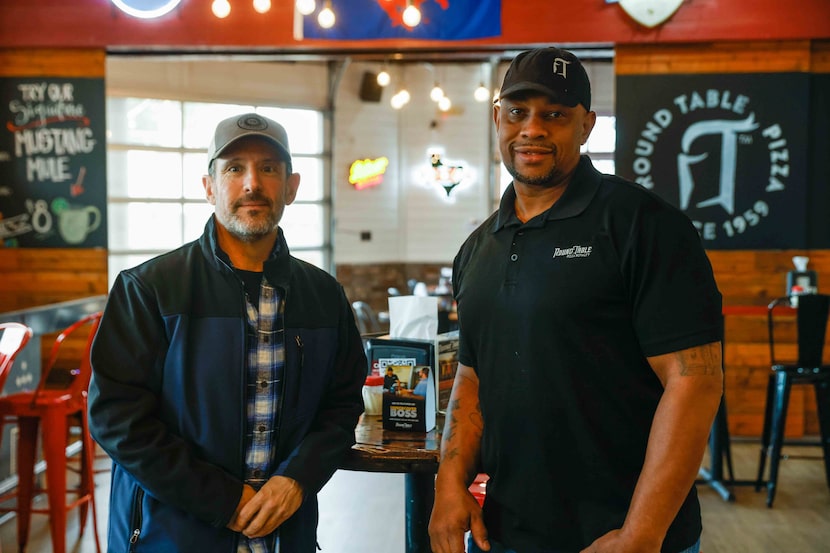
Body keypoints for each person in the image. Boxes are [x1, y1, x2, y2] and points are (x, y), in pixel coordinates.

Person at [428, 47, 723, 553]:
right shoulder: (476, 249)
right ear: (498, 118)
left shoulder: (644, 225)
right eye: (518, 112)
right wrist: (449, 483)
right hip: (505, 533)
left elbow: (694, 381)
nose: (533, 129)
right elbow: (473, 379)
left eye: (555, 115)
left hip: (623, 536)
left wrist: (642, 533)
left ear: (585, 126)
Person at [88, 113, 367, 552]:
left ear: (291, 187)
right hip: (172, 535)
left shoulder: (324, 296)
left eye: (269, 168)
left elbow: (342, 405)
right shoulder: (150, 289)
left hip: (284, 534)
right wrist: (223, 499)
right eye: (234, 168)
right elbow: (117, 418)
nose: (252, 183)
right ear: (209, 186)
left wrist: (297, 480)